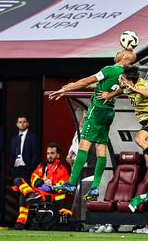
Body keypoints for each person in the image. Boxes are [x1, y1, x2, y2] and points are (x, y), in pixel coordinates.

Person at [48, 50, 136, 200]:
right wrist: (110, 95)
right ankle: (95, 188)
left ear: (125, 57)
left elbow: (87, 81)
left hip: (97, 111)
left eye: (121, 51)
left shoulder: (110, 69)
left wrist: (65, 88)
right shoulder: (126, 75)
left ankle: (71, 183)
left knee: (84, 145)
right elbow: (124, 88)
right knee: (101, 147)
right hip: (109, 112)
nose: (117, 52)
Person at [97, 65, 148, 192]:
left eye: (122, 79)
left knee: (139, 138)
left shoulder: (141, 85)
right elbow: (120, 90)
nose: (120, 80)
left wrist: (134, 89)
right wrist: (110, 95)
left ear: (130, 82)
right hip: (147, 123)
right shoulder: (126, 87)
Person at [12, 142, 70, 230]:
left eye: (52, 153)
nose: (49, 156)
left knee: (23, 195)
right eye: (48, 153)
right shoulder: (42, 166)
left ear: (58, 155)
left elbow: (63, 186)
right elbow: (33, 178)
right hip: (36, 192)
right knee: (17, 180)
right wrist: (42, 183)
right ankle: (30, 194)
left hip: (50, 196)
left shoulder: (62, 170)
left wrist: (49, 187)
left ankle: (20, 223)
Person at [10, 115, 40, 182]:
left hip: (27, 169)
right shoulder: (14, 138)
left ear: (27, 124)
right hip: (16, 169)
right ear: (17, 124)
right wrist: (12, 168)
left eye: (24, 122)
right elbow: (12, 154)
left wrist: (30, 169)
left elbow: (35, 155)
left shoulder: (33, 137)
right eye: (20, 122)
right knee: (17, 190)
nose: (22, 124)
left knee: (26, 190)